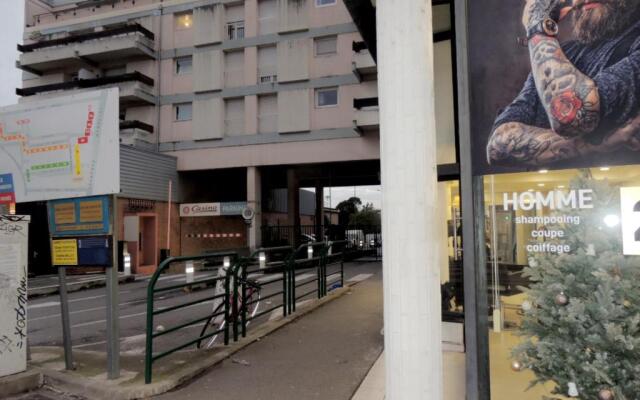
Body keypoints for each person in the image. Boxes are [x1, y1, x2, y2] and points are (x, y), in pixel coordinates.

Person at [487, 0, 640, 167]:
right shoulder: (563, 54)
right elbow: (497, 146)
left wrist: (538, 29)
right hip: (564, 189)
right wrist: (589, 146)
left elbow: (573, 117)